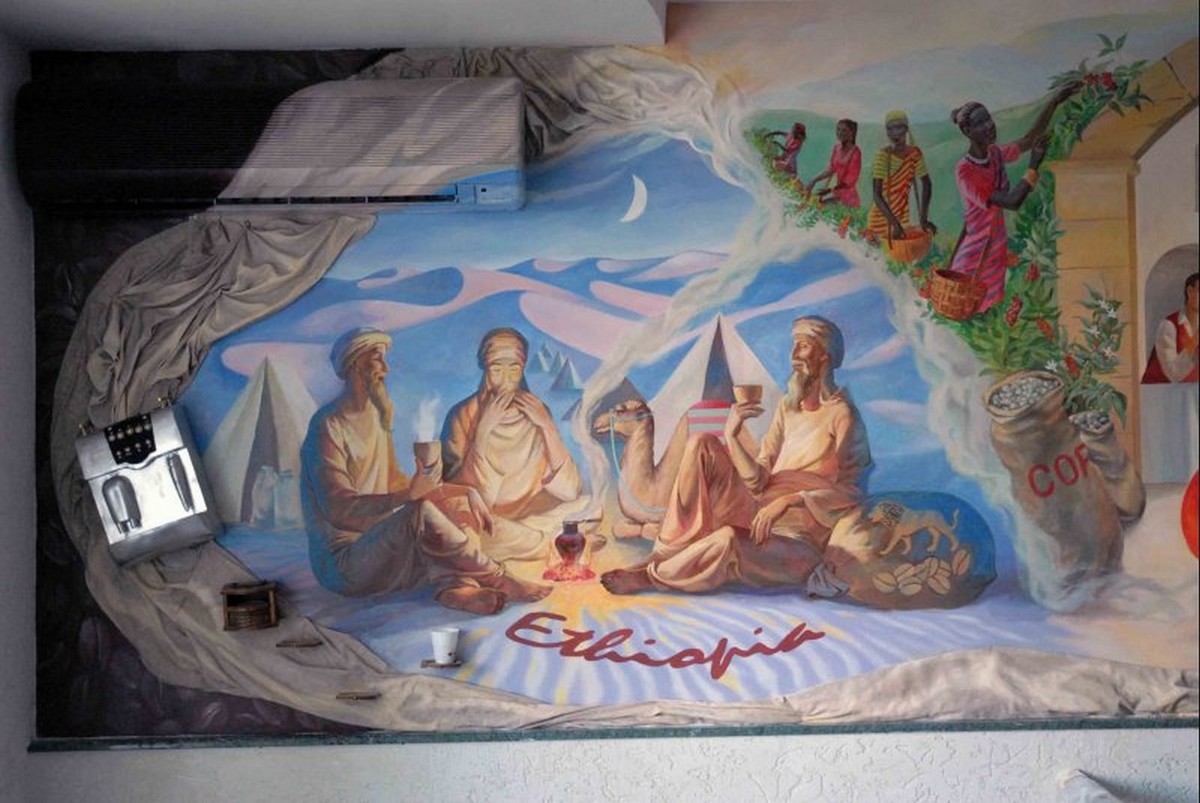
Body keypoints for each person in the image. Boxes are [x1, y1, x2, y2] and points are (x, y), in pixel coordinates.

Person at [601, 317, 872, 595]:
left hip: (797, 539)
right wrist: (732, 433)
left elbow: (852, 492)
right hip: (757, 512)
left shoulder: (842, 415)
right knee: (701, 443)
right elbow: (758, 479)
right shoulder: (788, 408)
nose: (793, 355)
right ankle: (662, 555)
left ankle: (653, 577)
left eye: (802, 346)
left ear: (824, 355)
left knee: (728, 539)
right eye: (794, 346)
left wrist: (792, 500)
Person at [300, 327, 549, 614]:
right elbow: (339, 509)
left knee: (456, 504)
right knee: (420, 512)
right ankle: (497, 577)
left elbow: (398, 486)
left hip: (382, 546)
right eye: (377, 359)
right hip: (346, 563)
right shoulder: (327, 426)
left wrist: (463, 492)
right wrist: (410, 496)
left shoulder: (376, 419)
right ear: (355, 364)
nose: (385, 369)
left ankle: (455, 589)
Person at [442, 328, 585, 557]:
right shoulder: (462, 415)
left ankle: (536, 539)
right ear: (485, 370)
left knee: (589, 506)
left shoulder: (537, 410)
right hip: (487, 519)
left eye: (514, 368)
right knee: (460, 527)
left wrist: (547, 426)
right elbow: (457, 493)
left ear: (523, 368)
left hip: (533, 516)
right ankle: (545, 543)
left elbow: (570, 491)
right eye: (497, 369)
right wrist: (482, 432)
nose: (506, 379)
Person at [948, 83, 1079, 313]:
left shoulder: (995, 154)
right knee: (967, 309)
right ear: (967, 131)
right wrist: (1033, 166)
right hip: (974, 257)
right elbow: (1011, 201)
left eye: (989, 119)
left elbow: (1029, 138)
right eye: (980, 123)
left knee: (989, 312)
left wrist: (1055, 101)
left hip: (995, 250)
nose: (989, 126)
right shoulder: (965, 171)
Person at [866, 110, 936, 243]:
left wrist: (923, 219)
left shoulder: (914, 154)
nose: (895, 133)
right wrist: (895, 224)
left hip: (902, 220)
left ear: (906, 129)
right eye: (890, 129)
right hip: (880, 220)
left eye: (899, 127)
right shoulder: (882, 156)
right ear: (887, 132)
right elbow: (877, 194)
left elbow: (927, 184)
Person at [1142, 272, 1199, 383]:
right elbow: (1173, 373)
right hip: (1161, 390)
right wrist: (1195, 340)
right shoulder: (1169, 325)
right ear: (1189, 291)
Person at [806, 119, 862, 208]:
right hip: (836, 193)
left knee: (818, 207)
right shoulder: (837, 148)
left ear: (851, 133)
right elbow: (831, 169)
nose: (840, 133)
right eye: (838, 129)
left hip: (848, 197)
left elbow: (849, 182)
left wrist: (829, 190)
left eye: (844, 130)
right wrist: (814, 180)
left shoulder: (855, 152)